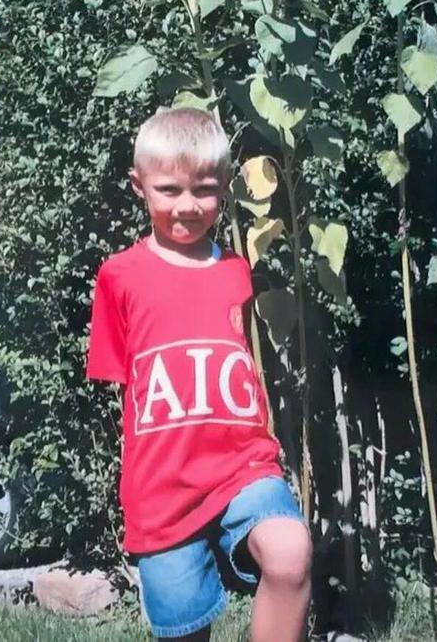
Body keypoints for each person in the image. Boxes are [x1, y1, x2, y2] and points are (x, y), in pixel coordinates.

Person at [85, 107, 312, 641]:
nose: (187, 206)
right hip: (162, 488)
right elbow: (125, 388)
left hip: (243, 466)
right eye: (169, 190)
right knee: (186, 628)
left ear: (224, 188)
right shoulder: (118, 277)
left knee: (290, 552)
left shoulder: (238, 273)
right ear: (138, 187)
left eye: (204, 190)